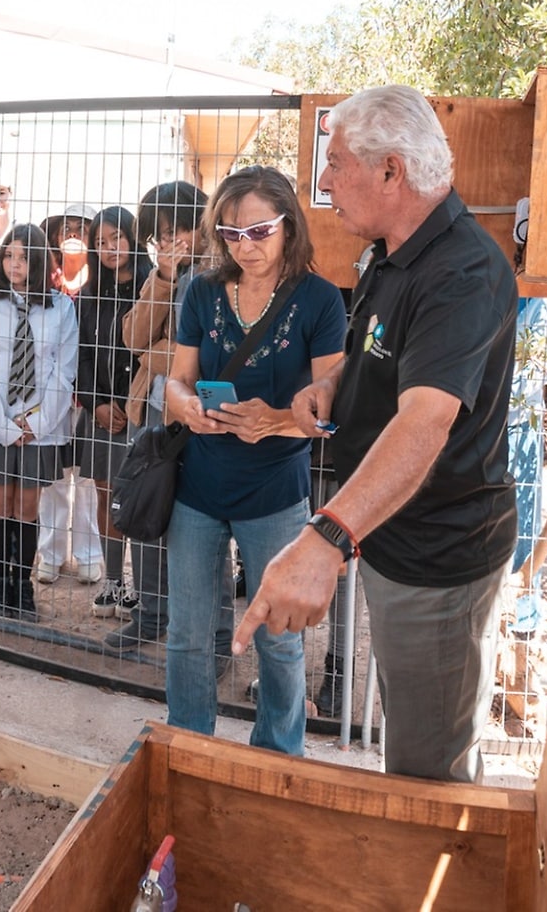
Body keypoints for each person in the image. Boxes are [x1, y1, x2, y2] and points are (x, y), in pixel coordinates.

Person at [243, 86, 519, 783]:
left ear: (392, 170)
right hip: (395, 539)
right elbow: (383, 355)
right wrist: (334, 386)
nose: (325, 179)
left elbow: (424, 423)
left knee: (428, 778)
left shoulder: (462, 271)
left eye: (336, 163)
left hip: (440, 558)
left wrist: (324, 540)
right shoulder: (390, 253)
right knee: (411, 740)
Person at [157, 168, 345, 755]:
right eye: (231, 233)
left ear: (289, 226)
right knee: (188, 635)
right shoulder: (202, 291)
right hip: (198, 486)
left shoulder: (320, 300)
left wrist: (277, 420)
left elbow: (331, 410)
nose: (246, 246)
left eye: (260, 231)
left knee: (279, 637)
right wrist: (188, 408)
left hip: (275, 492)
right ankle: (189, 752)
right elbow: (176, 381)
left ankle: (279, 757)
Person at [108, 180, 208, 651]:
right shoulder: (162, 275)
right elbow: (132, 336)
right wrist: (165, 278)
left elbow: (201, 355)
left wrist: (155, 354)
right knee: (146, 511)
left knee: (194, 530)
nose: (169, 242)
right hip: (149, 415)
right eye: (160, 235)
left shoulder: (218, 274)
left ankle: (198, 630)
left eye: (176, 230)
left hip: (195, 421)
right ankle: (150, 614)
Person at [0, 224, 77, 620]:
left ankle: (22, 587)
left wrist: (37, 425)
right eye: (9, 255)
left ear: (40, 261)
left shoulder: (61, 308)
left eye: (25, 257)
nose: (14, 264)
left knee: (27, 506)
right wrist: (4, 426)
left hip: (39, 428)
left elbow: (63, 372)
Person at [77, 206, 147, 614]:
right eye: (100, 242)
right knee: (108, 496)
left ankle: (142, 585)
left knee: (141, 495)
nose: (109, 248)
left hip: (142, 411)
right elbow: (82, 355)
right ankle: (113, 579)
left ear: (132, 238)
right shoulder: (89, 295)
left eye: (116, 238)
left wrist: (128, 404)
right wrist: (96, 403)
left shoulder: (152, 285)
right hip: (101, 413)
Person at [33, 202, 102, 584]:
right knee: (54, 479)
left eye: (83, 226)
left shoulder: (101, 284)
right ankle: (51, 553)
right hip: (50, 395)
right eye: (67, 226)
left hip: (90, 397)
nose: (74, 232)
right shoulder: (45, 282)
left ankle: (90, 555)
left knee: (88, 480)